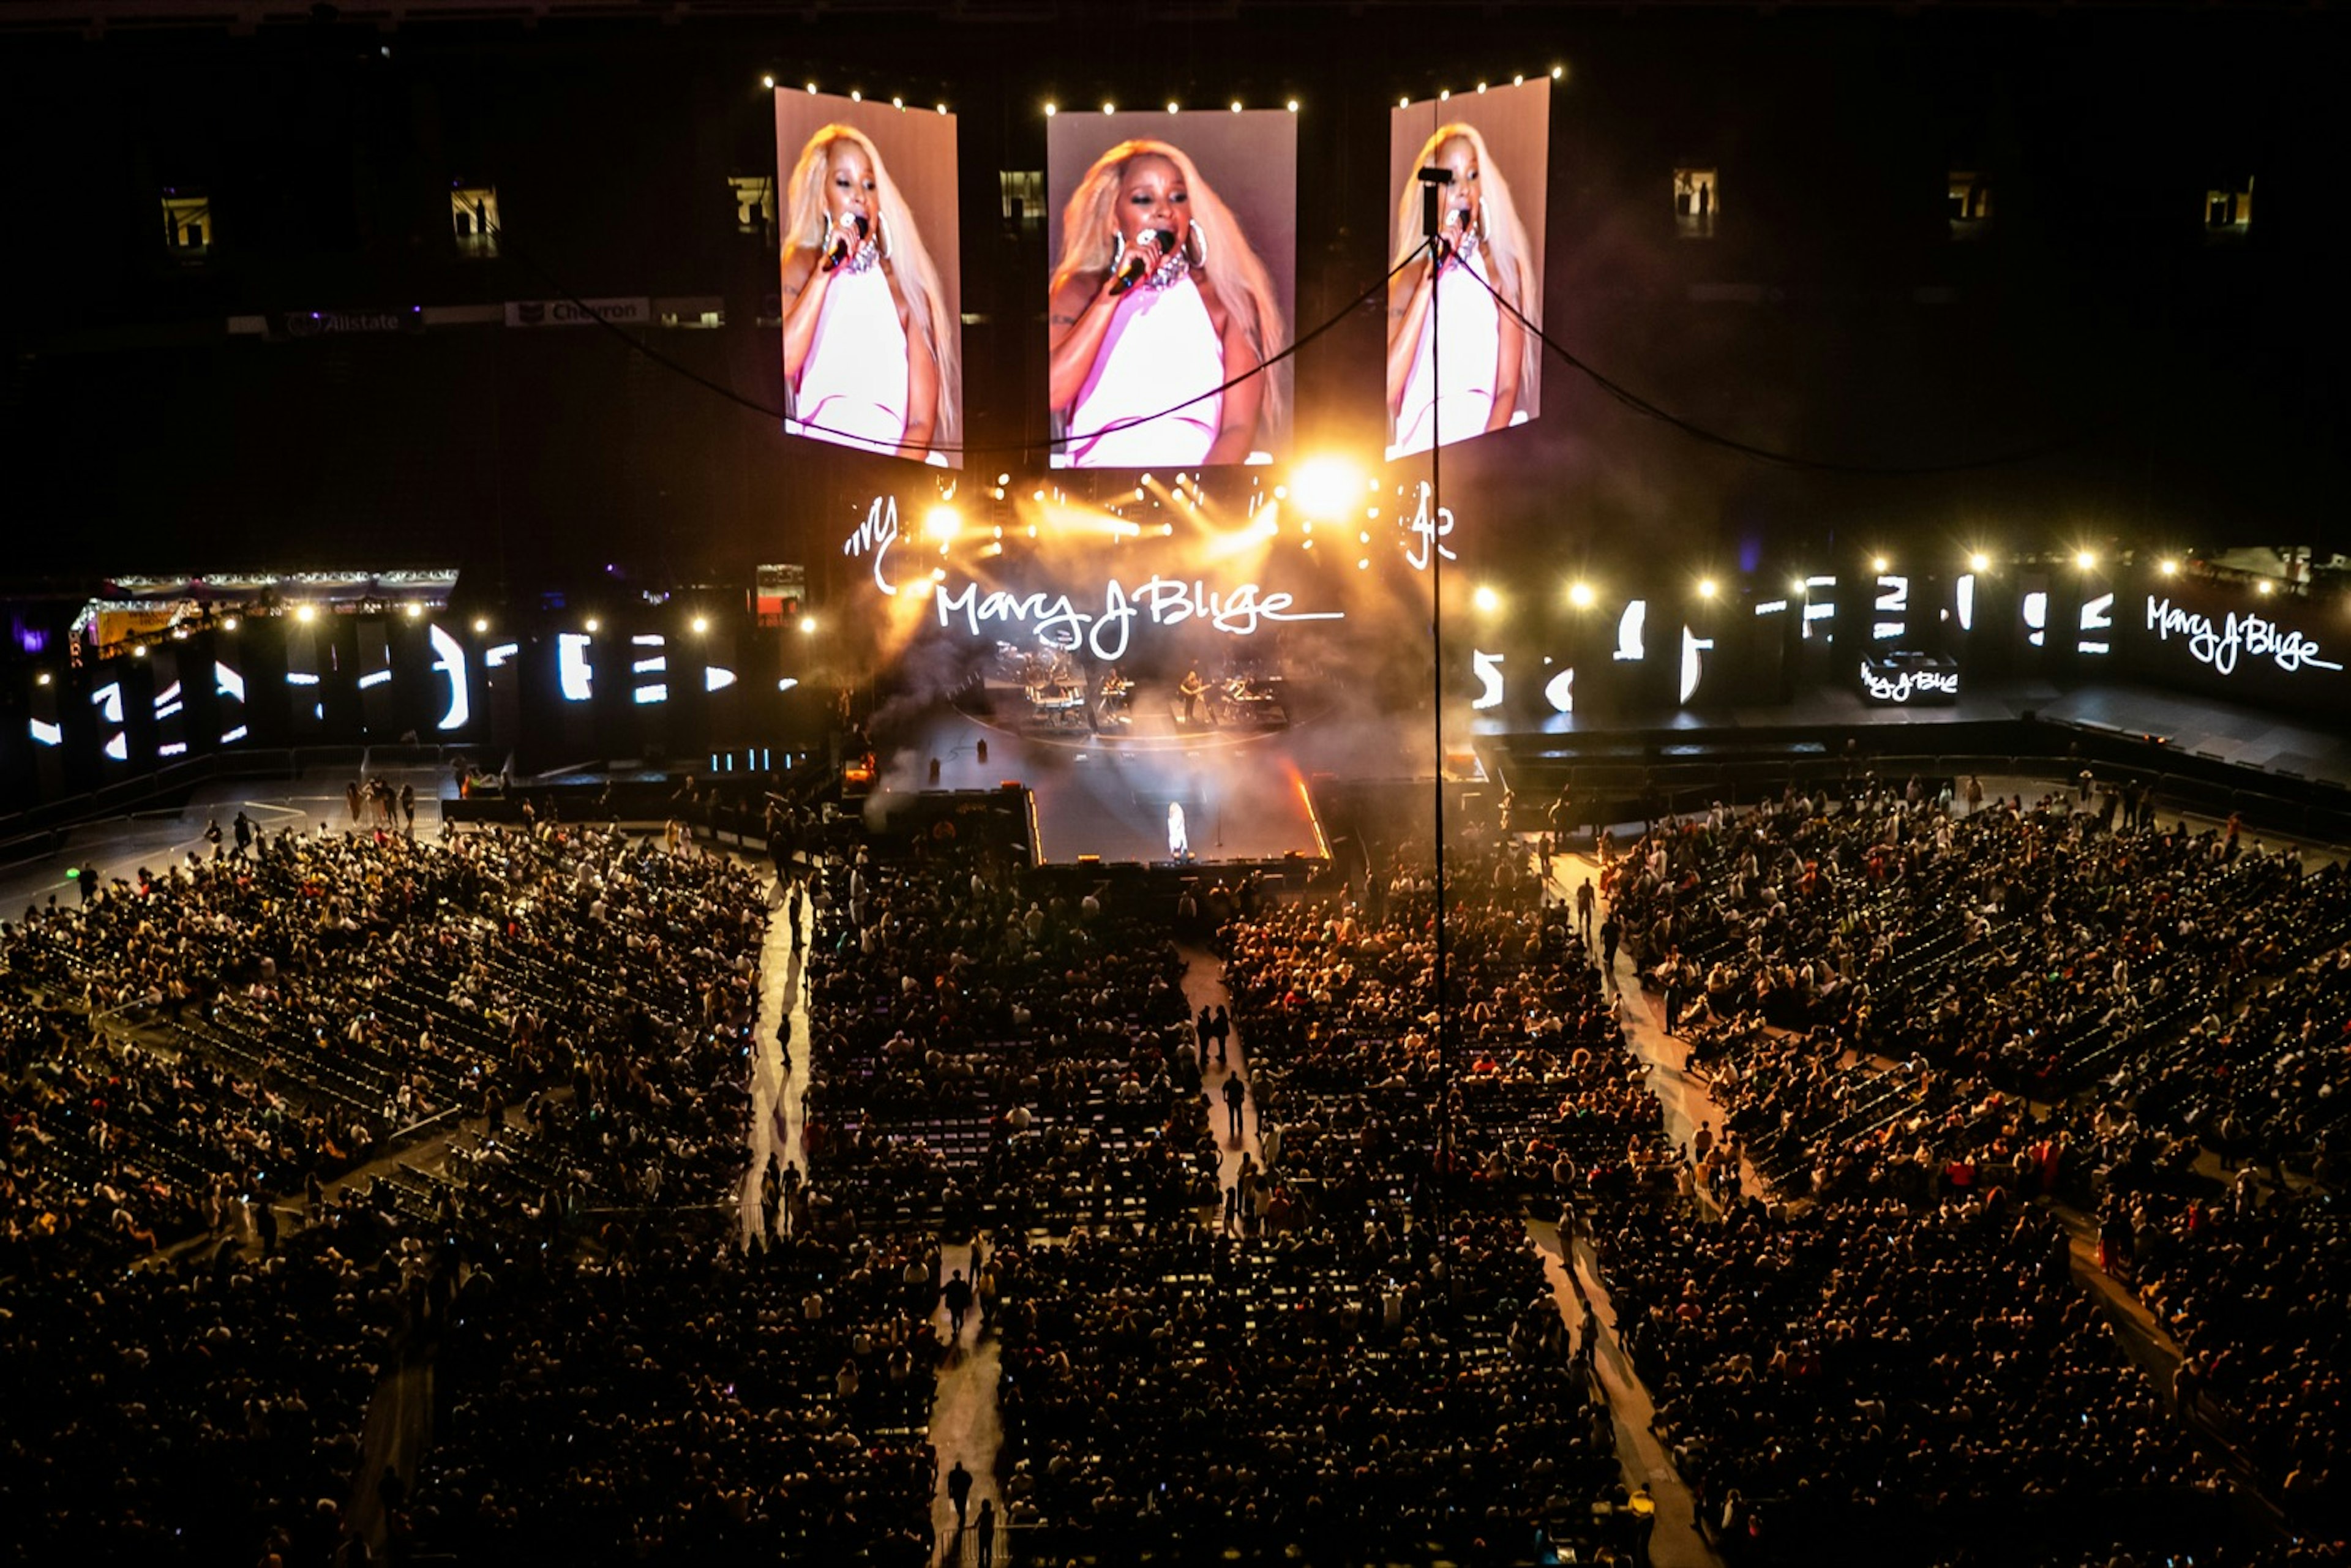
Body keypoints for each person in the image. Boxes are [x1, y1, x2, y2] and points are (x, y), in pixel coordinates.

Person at [1048, 138, 1286, 467]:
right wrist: (1112, 294)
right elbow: (1052, 392)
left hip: (1195, 486)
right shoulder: (1080, 291)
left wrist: (1198, 497)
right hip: (1094, 487)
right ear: (1115, 218)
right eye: (1144, 199)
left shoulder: (1228, 300)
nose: (1164, 210)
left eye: (1177, 197)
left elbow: (1239, 427)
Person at [778, 123, 959, 463]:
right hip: (819, 463)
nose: (860, 195)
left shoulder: (906, 290)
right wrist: (825, 273)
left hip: (889, 470)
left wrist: (890, 480)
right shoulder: (802, 266)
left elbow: (921, 421)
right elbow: (785, 360)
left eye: (869, 184)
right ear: (822, 196)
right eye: (844, 182)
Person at [1385, 121, 1538, 458]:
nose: (1464, 190)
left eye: (1472, 174)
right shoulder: (1408, 279)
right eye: (1450, 179)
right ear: (1431, 191)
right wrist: (1430, 277)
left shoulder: (1502, 271)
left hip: (1481, 446)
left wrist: (1483, 459)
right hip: (1419, 453)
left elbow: (1507, 387)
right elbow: (1387, 387)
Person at [945, 1457, 973, 1537]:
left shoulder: (963, 1474)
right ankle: (962, 1516)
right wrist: (950, 1492)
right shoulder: (953, 1474)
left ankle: (962, 1519)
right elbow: (949, 1484)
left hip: (961, 1493)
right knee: (958, 1506)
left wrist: (967, 1487)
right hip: (957, 1493)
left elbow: (970, 1480)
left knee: (962, 1506)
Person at [1221, 1071, 1248, 1142]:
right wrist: (1243, 1097)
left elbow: (1224, 1089)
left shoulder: (1228, 1082)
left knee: (1232, 1115)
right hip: (1238, 1100)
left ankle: (1232, 1129)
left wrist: (1224, 1097)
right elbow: (1242, 1091)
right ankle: (1240, 1127)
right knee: (1239, 1114)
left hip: (1231, 1100)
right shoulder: (1239, 1083)